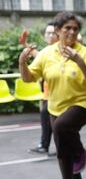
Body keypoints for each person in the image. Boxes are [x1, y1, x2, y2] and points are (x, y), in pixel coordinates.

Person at [18, 12, 86, 179]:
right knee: (63, 150)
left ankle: (81, 152)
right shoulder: (47, 53)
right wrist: (22, 62)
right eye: (67, 28)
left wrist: (78, 61)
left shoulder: (85, 53)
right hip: (56, 107)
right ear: (57, 31)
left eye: (75, 28)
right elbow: (29, 77)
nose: (72, 32)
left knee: (60, 127)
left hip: (83, 103)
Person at [25, 22, 58, 156]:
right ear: (44, 36)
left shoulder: (60, 50)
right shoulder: (46, 52)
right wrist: (25, 45)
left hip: (57, 96)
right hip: (47, 95)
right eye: (48, 33)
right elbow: (39, 56)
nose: (50, 35)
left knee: (55, 122)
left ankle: (58, 146)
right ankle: (46, 145)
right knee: (49, 121)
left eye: (53, 33)